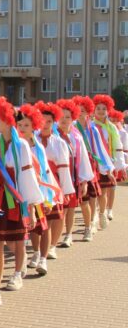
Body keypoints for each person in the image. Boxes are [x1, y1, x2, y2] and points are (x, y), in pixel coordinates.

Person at [0, 97, 43, 308]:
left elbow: (27, 177)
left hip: (11, 199)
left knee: (4, 243)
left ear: (7, 121)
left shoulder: (21, 146)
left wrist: (30, 208)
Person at [16, 104, 65, 276]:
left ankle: (43, 257)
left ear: (33, 126)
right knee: (31, 227)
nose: (22, 129)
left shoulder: (38, 147)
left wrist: (48, 198)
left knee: (44, 227)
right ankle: (35, 252)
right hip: (21, 193)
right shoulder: (15, 146)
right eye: (20, 125)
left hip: (40, 193)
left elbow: (45, 173)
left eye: (26, 125)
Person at [72, 95, 113, 239]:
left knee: (93, 194)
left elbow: (100, 150)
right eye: (78, 110)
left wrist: (106, 167)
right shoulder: (72, 128)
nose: (81, 113)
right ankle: (88, 224)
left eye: (83, 110)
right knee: (82, 198)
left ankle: (97, 216)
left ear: (88, 112)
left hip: (92, 164)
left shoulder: (93, 129)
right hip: (77, 166)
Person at [55, 99, 93, 246]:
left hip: (72, 175)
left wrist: (84, 181)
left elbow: (83, 158)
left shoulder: (77, 137)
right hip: (55, 175)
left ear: (73, 118)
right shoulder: (52, 134)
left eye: (68, 117)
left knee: (70, 207)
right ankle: (52, 239)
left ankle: (68, 234)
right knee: (57, 209)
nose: (64, 120)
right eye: (61, 117)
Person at [92, 95, 125, 223]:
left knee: (104, 191)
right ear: (93, 110)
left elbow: (118, 146)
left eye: (103, 109)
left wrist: (119, 164)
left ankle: (102, 213)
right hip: (94, 164)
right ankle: (94, 215)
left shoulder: (112, 128)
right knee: (94, 192)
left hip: (107, 164)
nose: (100, 111)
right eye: (98, 108)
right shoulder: (90, 126)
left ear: (108, 110)